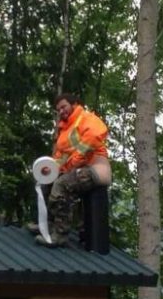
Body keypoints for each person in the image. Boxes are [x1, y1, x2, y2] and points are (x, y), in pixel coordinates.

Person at [34, 93, 111, 248]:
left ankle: (60, 235)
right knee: (46, 182)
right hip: (76, 169)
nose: (61, 111)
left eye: (64, 107)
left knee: (61, 184)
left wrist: (74, 161)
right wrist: (51, 168)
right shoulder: (65, 130)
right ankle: (48, 225)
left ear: (74, 104)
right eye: (58, 110)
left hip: (95, 168)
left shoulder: (86, 118)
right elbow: (61, 157)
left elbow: (93, 138)